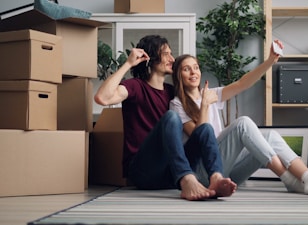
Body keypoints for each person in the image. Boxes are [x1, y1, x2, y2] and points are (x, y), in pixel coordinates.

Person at [169, 41, 308, 195]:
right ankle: (289, 180)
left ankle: (307, 176)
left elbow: (243, 83)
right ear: (179, 75)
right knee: (243, 123)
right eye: (186, 69)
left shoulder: (211, 93)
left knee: (270, 136)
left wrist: (270, 61)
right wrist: (205, 106)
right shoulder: (177, 104)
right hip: (204, 172)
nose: (193, 72)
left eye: (196, 67)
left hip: (228, 172)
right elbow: (201, 138)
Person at [94, 35, 236, 201]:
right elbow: (102, 98)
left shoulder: (173, 93)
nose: (172, 58)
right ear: (151, 58)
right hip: (143, 172)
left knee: (204, 128)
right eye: (166, 54)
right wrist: (129, 63)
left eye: (171, 53)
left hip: (171, 172)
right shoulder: (136, 86)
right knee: (171, 117)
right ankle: (187, 179)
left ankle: (216, 178)